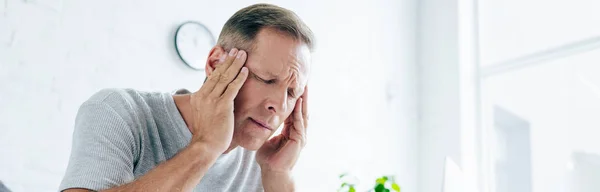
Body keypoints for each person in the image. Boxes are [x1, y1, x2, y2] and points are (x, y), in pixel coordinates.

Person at [60, 3, 313, 192]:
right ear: (216, 65)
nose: (278, 106)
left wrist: (278, 176)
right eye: (268, 80)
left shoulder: (265, 164)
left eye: (292, 93)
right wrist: (205, 148)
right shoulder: (117, 112)